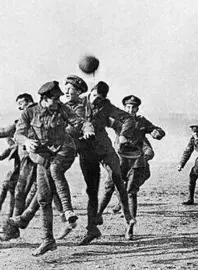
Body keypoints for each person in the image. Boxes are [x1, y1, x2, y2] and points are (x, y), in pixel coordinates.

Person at [14, 81, 95, 256]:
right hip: (43, 156)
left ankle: (68, 210)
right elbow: (18, 134)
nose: (58, 101)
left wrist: (88, 130)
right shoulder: (29, 112)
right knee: (43, 198)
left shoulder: (61, 109)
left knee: (55, 170)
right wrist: (27, 142)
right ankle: (48, 240)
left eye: (59, 98)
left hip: (65, 150)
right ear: (44, 99)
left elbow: (81, 122)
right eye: (54, 98)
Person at [76, 81, 137, 245]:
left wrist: (124, 134)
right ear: (91, 92)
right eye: (95, 96)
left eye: (100, 98)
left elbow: (128, 118)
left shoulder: (106, 105)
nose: (96, 100)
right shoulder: (78, 102)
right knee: (92, 190)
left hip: (104, 148)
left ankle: (129, 217)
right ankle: (92, 229)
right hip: (86, 151)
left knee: (118, 179)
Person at [98, 95, 165, 239]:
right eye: (128, 107)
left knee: (131, 192)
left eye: (133, 107)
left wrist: (157, 133)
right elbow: (101, 122)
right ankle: (97, 216)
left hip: (136, 161)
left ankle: (130, 228)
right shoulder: (118, 120)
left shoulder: (141, 121)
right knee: (109, 187)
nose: (131, 109)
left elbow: (156, 130)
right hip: (120, 160)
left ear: (137, 108)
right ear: (124, 108)